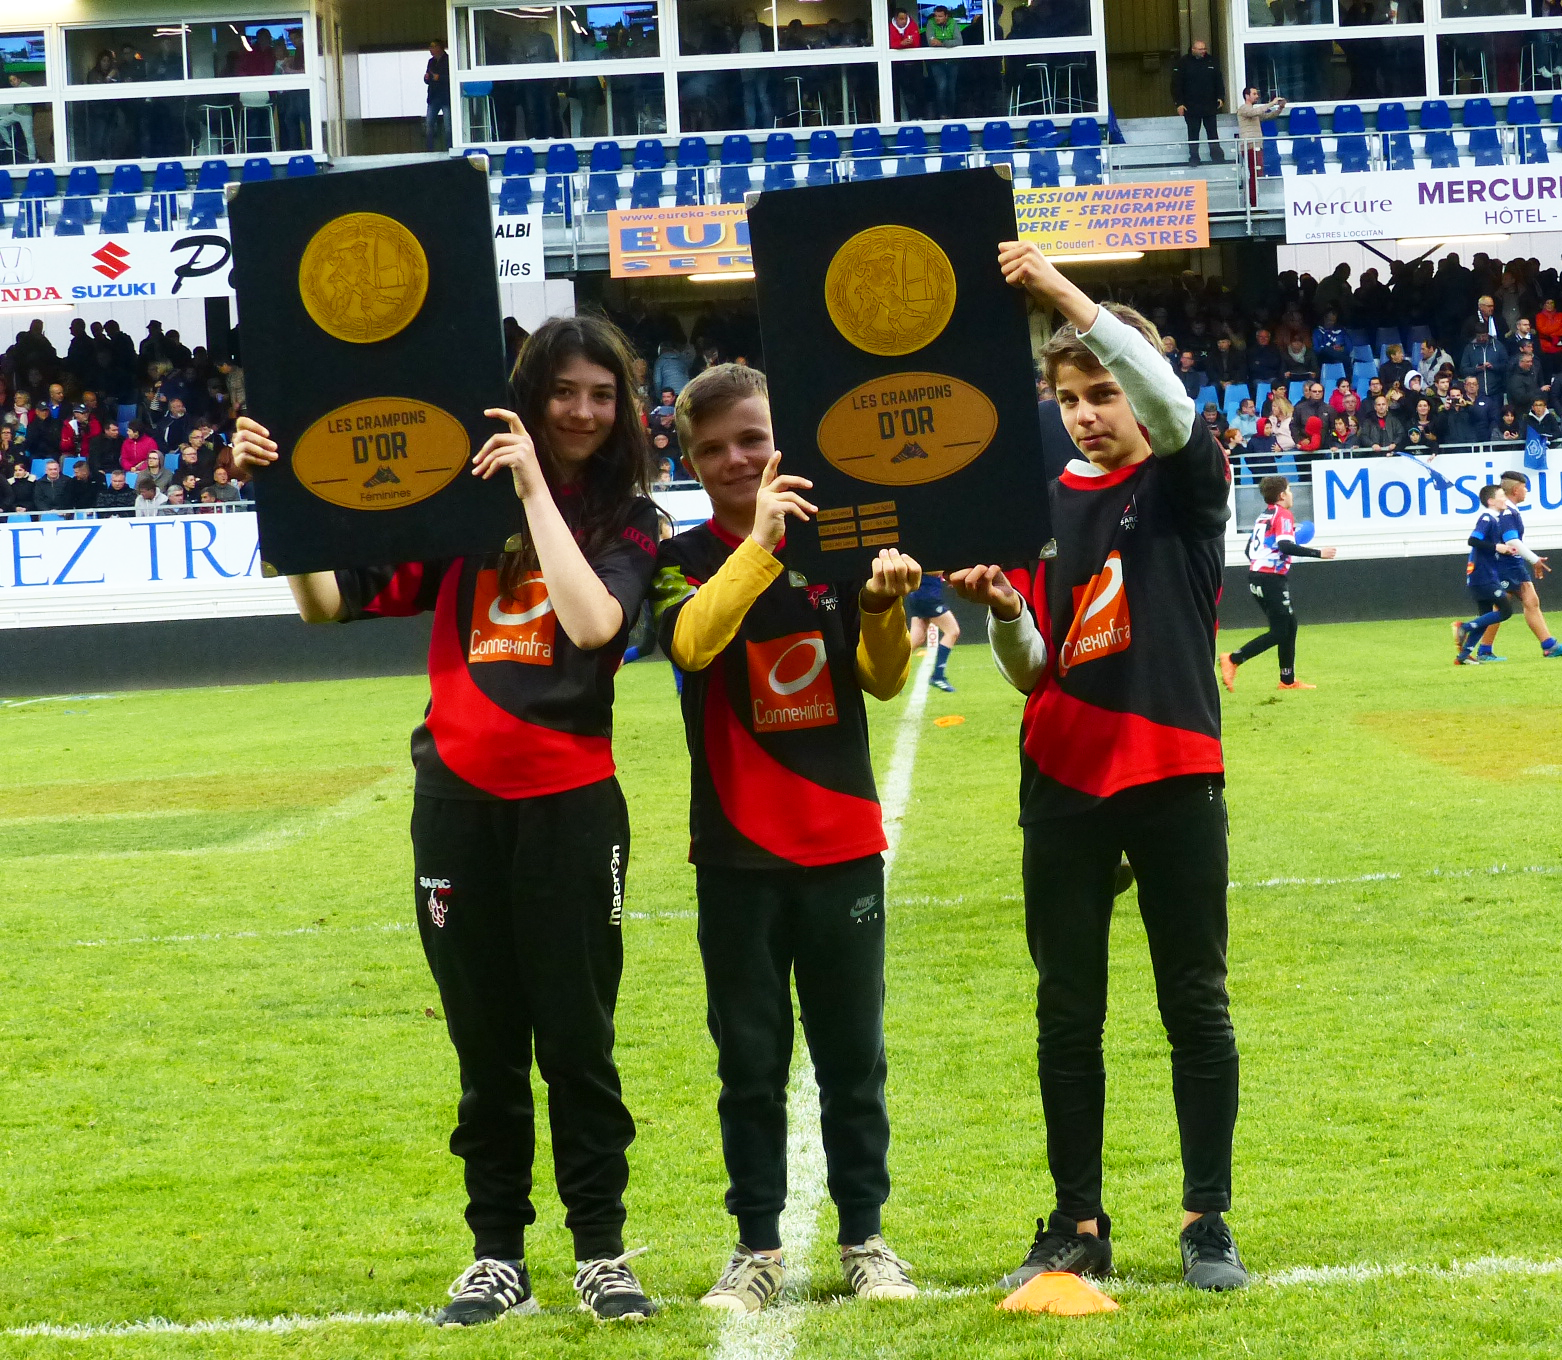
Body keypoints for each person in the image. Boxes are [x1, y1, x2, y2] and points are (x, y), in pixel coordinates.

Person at [230, 315, 663, 1326]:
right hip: (455, 810)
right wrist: (278, 490)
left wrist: (529, 492)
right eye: (564, 391)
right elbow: (326, 604)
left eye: (602, 394)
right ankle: (495, 1253)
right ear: (527, 394)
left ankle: (599, 1248)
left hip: (570, 808)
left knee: (577, 1038)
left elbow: (595, 623)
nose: (584, 411)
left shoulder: (632, 518)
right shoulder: (453, 514)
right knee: (484, 1045)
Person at [950, 240, 1248, 1295]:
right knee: (1066, 1011)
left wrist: (1063, 299)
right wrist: (998, 617)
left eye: (1103, 390)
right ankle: (1076, 1216)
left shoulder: (1180, 480)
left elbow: (1170, 407)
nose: (1088, 411)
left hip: (1171, 772)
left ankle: (1205, 1217)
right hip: (1062, 784)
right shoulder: (1035, 507)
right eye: (1070, 396)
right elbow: (1039, 670)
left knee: (1193, 1002)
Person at [651, 363, 921, 1314]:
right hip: (734, 854)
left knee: (854, 1058)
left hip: (840, 841)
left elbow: (881, 681)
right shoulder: (677, 555)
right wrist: (761, 542)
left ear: (781, 438)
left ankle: (866, 1239)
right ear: (690, 459)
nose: (737, 459)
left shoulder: (839, 540)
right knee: (750, 1062)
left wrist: (884, 605)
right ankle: (756, 1247)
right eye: (715, 447)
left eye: (753, 439)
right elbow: (690, 644)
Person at [1219, 476, 1337, 693]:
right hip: (1269, 578)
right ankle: (1234, 658)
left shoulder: (1264, 516)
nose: (1291, 494)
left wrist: (1264, 561)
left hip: (1260, 576)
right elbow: (1284, 545)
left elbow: (1249, 551)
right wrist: (1318, 553)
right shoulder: (1283, 514)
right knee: (1281, 630)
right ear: (1282, 495)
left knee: (1289, 625)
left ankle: (1288, 681)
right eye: (1289, 490)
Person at [1475, 470, 1560, 662]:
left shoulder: (1507, 511)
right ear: (1516, 489)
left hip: (1508, 564)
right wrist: (1534, 559)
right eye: (1524, 487)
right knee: (1505, 606)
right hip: (1506, 565)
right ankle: (1478, 643)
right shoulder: (1507, 512)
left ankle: (1549, 645)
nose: (1526, 491)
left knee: (1527, 602)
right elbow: (1512, 540)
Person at [1453, 485, 1520, 666]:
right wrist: (1497, 547)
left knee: (1485, 616)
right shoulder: (1487, 518)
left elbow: (1489, 547)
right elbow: (1473, 540)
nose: (1505, 499)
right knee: (1505, 611)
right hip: (1483, 575)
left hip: (1481, 574)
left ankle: (1464, 655)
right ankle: (1464, 627)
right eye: (1501, 496)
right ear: (1491, 501)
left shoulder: (1495, 520)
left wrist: (1505, 550)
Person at [1171, 38, 1224, 166]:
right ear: (1193, 49)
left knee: (1212, 132)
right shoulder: (1183, 63)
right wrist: (1179, 103)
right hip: (1190, 106)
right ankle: (1194, 158)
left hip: (1209, 105)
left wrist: (1221, 97)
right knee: (1193, 133)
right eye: (1200, 49)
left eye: (1204, 49)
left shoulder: (1212, 61)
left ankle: (1217, 156)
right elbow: (1176, 84)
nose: (1203, 51)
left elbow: (1219, 81)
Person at [904, 572, 961, 691]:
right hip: (927, 596)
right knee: (952, 631)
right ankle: (938, 676)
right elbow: (934, 570)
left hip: (920, 594)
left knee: (917, 637)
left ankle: (891, 673)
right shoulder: (932, 555)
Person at [1234, 86, 1283, 200]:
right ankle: (1253, 202)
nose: (1257, 96)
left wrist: (1279, 109)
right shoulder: (1243, 109)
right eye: (1254, 94)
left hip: (1256, 145)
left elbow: (1267, 116)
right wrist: (1272, 103)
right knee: (1254, 174)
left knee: (1257, 174)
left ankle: (1255, 201)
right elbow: (1255, 112)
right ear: (1247, 96)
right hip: (1250, 145)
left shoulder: (1252, 110)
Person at [424, 38, 451, 152]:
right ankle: (430, 150)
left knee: (448, 126)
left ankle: (450, 149)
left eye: (433, 46)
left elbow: (452, 77)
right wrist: (426, 78)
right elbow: (428, 79)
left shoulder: (449, 60)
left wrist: (439, 78)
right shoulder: (431, 61)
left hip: (446, 97)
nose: (431, 49)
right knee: (429, 124)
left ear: (440, 48)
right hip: (433, 96)